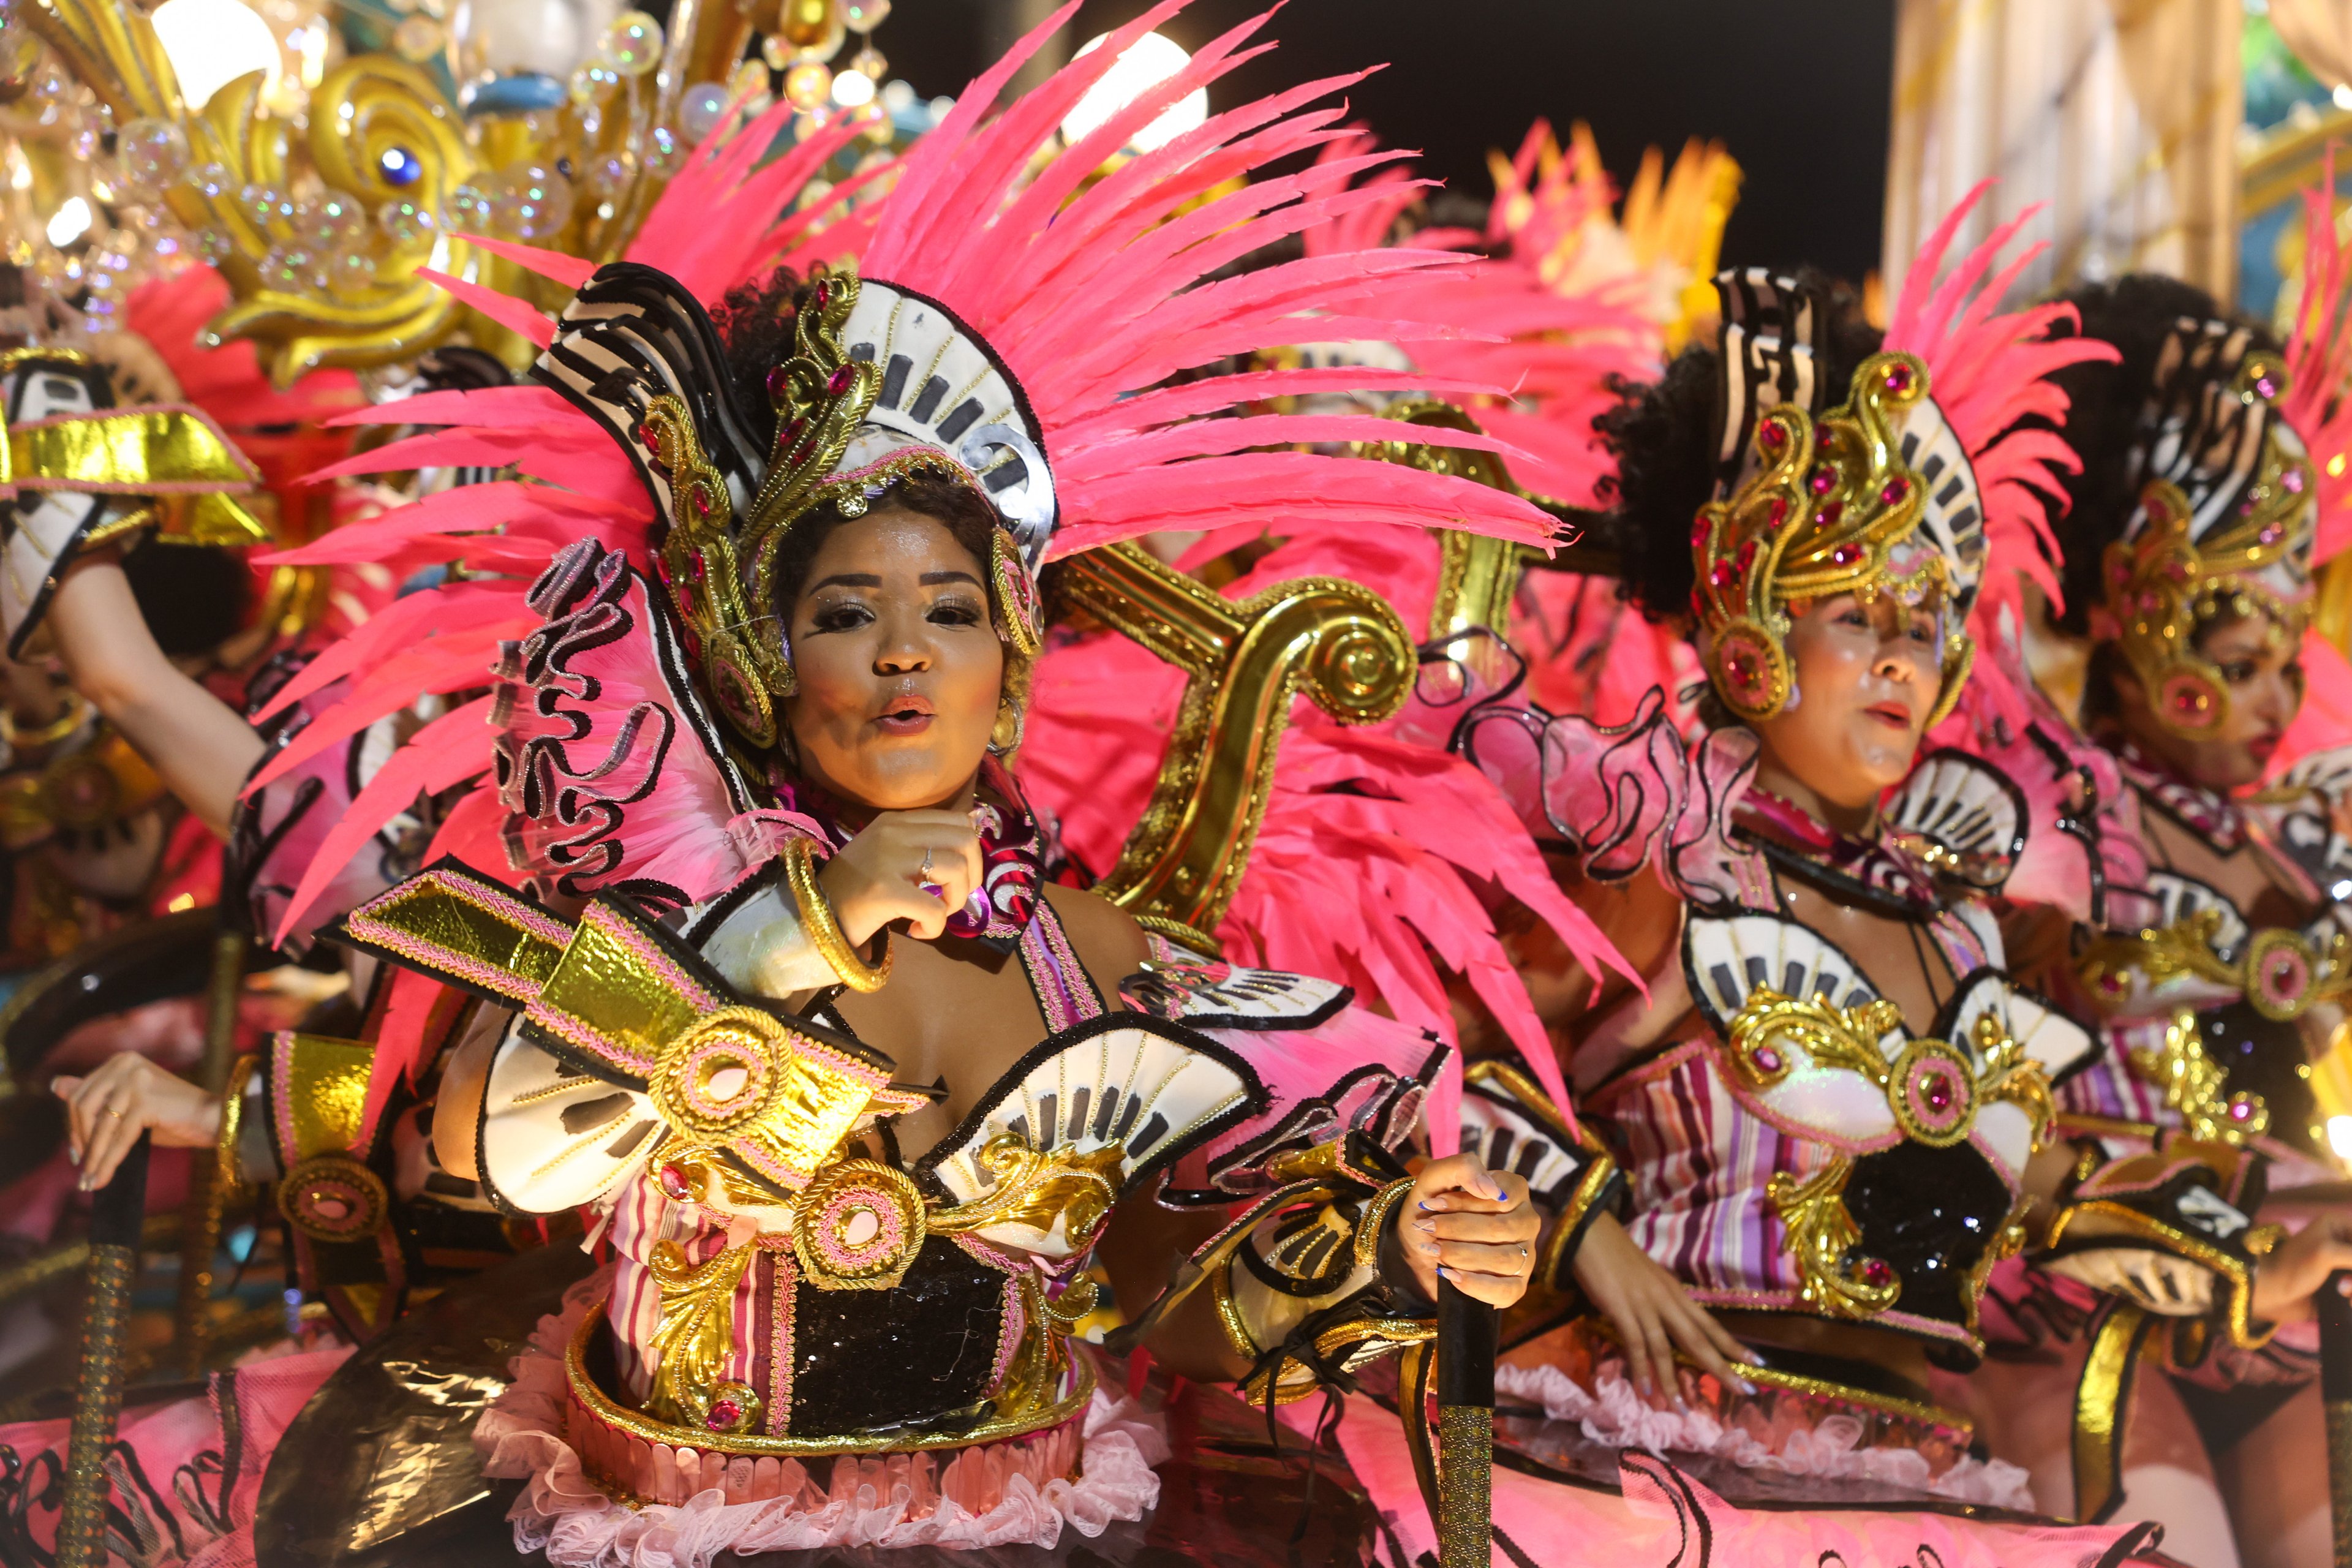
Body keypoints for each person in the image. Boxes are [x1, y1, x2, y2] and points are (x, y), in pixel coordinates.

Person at [40, 7, 1564, 1559]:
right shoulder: (667, 900)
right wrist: (805, 930)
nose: (906, 656)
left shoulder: (1098, 958)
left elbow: (1175, 1322)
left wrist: (1399, 1244)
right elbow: (487, 1149)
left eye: (951, 611)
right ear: (774, 657)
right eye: (848, 612)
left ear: (1007, 660)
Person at [1403, 198, 2174, 1564]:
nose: (1899, 659)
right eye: (1854, 618)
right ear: (1752, 629)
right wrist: (1592, 1235)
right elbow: (1442, 1061)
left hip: (1921, 1462)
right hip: (1674, 1458)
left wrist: (2179, 1219)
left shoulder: (1962, 909)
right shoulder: (1674, 863)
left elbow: (2028, 1171)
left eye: (1924, 624)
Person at [1954, 217, 2352, 1568]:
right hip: (2088, 1300)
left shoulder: (2307, 835)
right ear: (2125, 607)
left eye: (2287, 658)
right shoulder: (2039, 806)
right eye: (2234, 656)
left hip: (2302, 1309)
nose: (2270, 701)